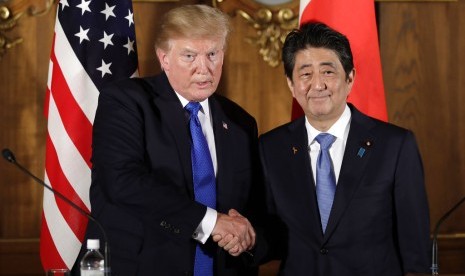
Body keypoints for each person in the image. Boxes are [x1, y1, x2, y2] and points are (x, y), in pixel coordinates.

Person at [76, 4, 260, 276]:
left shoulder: (240, 123)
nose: (204, 68)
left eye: (212, 54)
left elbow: (254, 207)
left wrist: (246, 237)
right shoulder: (126, 101)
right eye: (189, 56)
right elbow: (122, 181)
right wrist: (211, 223)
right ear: (164, 58)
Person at [258, 22, 431, 275]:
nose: (317, 85)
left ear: (350, 78)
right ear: (291, 85)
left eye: (328, 72)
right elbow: (270, 238)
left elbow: (416, 251)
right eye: (305, 74)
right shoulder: (271, 148)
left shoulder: (395, 146)